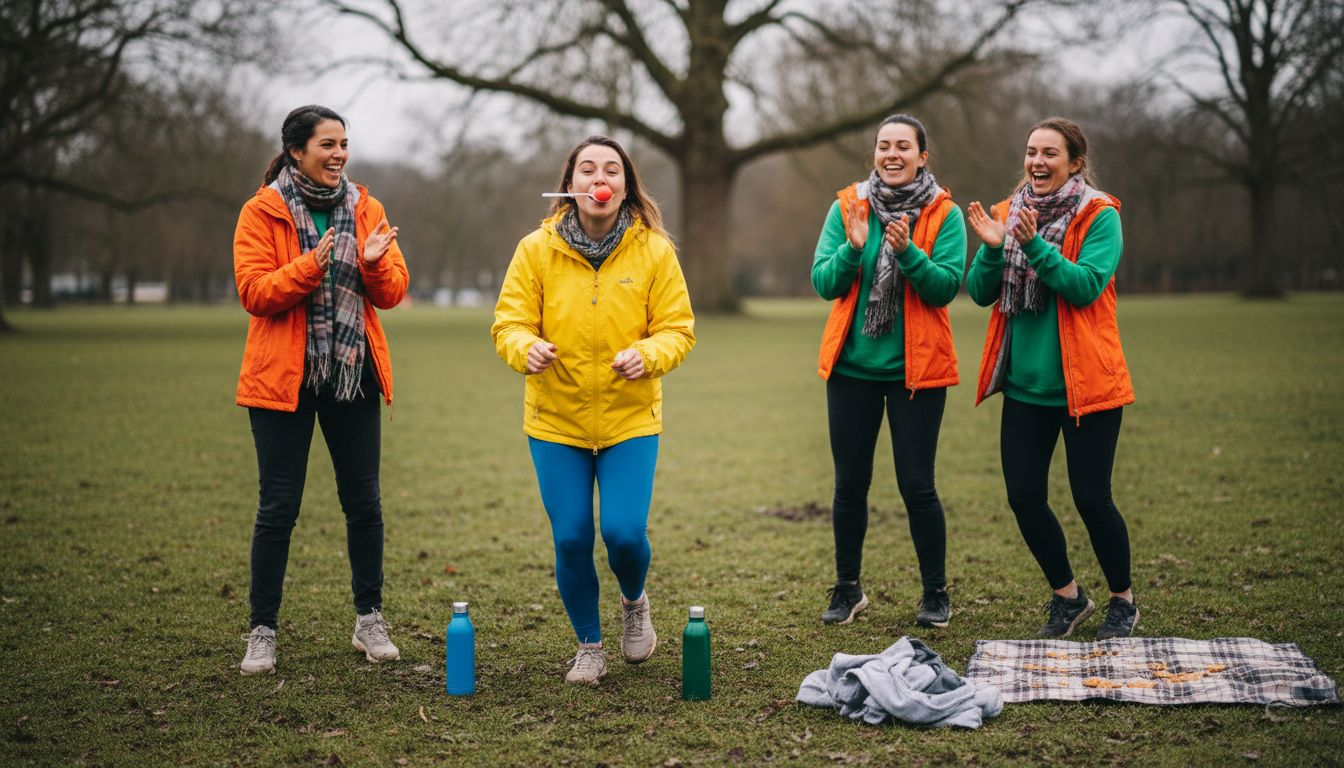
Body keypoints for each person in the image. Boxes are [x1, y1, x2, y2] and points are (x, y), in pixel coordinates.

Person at [492, 136, 695, 685]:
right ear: (569, 185)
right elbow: (509, 323)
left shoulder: (655, 251)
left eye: (611, 170)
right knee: (572, 538)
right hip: (556, 420)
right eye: (587, 169)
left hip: (630, 418)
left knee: (625, 534)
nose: (599, 179)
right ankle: (589, 645)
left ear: (625, 187)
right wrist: (525, 348)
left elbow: (678, 330)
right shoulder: (535, 249)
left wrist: (647, 355)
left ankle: (634, 601)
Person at [233, 105, 409, 674]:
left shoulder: (367, 207)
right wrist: (312, 265)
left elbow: (393, 291)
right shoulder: (262, 211)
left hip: (352, 374)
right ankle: (262, 631)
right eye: (327, 144)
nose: (339, 155)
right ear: (296, 151)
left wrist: (373, 264)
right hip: (284, 379)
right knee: (278, 507)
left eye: (343, 144)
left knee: (364, 502)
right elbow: (254, 292)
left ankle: (369, 620)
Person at [965, 116, 1139, 640]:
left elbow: (1085, 286)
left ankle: (1123, 601)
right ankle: (1068, 596)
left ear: (1075, 163)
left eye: (1049, 154)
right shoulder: (1008, 213)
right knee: (1023, 497)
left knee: (1092, 499)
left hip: (1088, 386)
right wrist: (993, 247)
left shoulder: (1100, 215)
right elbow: (980, 292)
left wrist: (1035, 245)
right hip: (1026, 388)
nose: (1036, 162)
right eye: (1031, 152)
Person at [811, 114, 965, 629]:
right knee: (849, 486)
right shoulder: (848, 206)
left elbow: (944, 288)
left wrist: (908, 253)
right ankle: (847, 589)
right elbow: (824, 283)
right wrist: (853, 248)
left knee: (918, 486)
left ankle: (935, 594)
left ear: (923, 156)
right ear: (874, 153)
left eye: (903, 146)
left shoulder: (944, 214)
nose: (892, 154)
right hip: (852, 370)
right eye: (884, 146)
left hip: (916, 374)